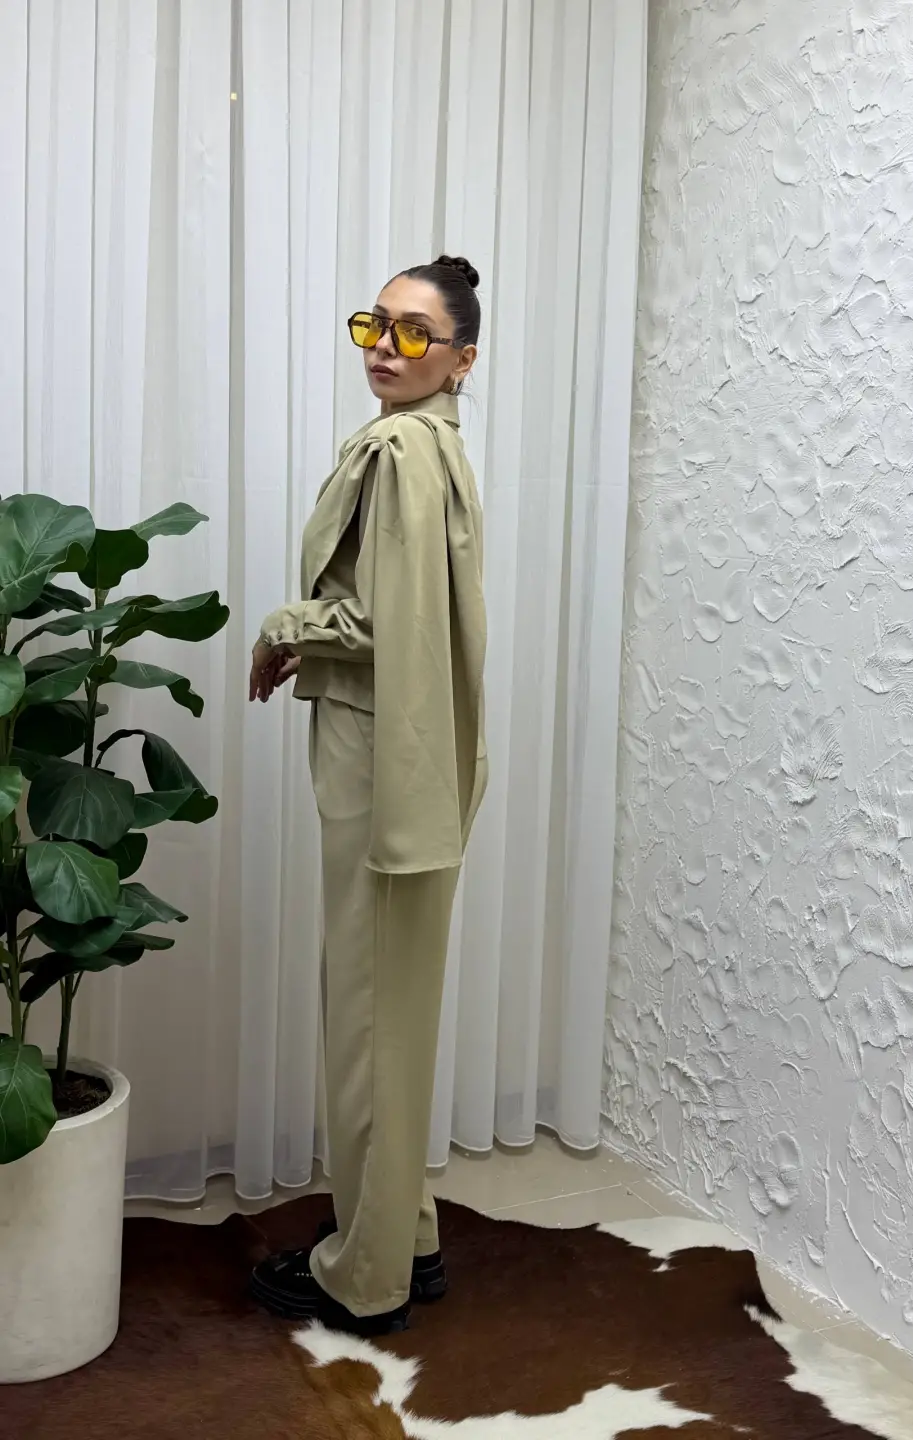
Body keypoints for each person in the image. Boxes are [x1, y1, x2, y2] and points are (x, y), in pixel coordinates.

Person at [247, 256, 488, 1337]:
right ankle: (407, 1233)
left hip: (377, 751)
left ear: (461, 359)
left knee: (366, 1017)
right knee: (393, 1007)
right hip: (411, 749)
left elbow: (386, 622)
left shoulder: (398, 451)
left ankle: (367, 1274)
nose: (387, 347)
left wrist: (286, 626)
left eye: (414, 333)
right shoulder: (436, 446)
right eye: (376, 325)